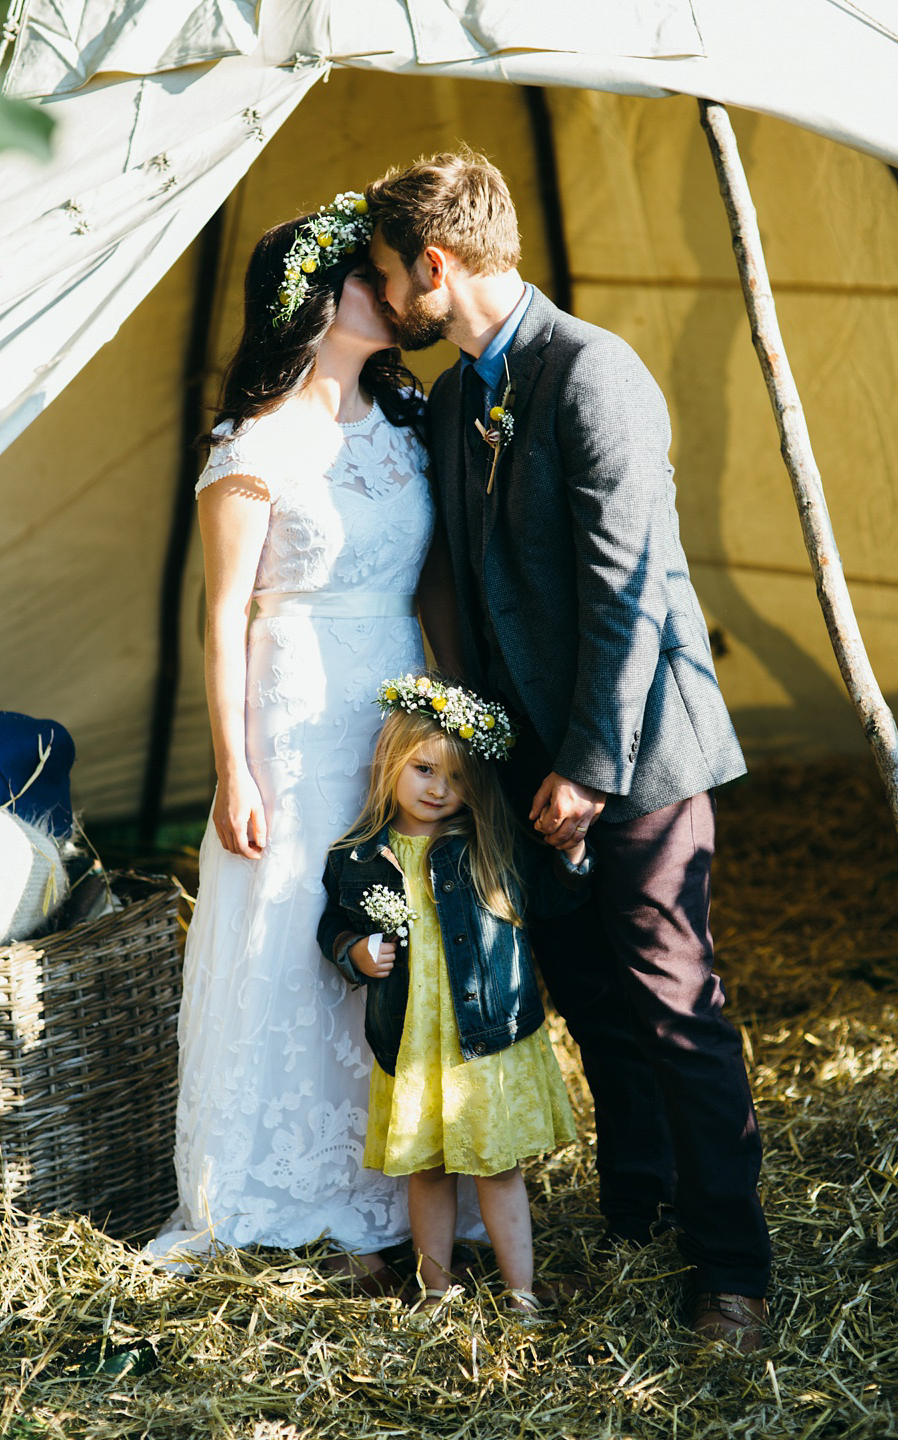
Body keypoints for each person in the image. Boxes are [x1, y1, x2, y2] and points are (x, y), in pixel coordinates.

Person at [363, 152, 772, 1348]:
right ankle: (640, 1199)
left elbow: (628, 596)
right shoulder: (450, 401)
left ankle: (732, 1269)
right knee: (587, 992)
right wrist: (487, 750)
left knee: (673, 999)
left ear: (436, 268)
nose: (388, 303)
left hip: (636, 752)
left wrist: (590, 769)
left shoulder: (597, 375)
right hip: (523, 763)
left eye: (392, 279)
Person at [153, 193, 482, 1282]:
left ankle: (402, 1182)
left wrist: (454, 709)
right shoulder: (253, 443)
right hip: (293, 705)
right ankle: (281, 1188)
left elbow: (433, 582)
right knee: (300, 919)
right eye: (363, 277)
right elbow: (221, 618)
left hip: (395, 698)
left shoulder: (406, 424)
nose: (389, 292)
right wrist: (233, 769)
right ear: (311, 301)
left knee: (401, 919)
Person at [318, 675, 589, 1318]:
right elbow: (332, 922)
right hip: (413, 1041)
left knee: (497, 1169)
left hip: (485, 1041)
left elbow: (548, 904)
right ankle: (434, 1292)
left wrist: (574, 854)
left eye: (459, 778)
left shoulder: (490, 845)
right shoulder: (358, 857)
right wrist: (353, 951)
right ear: (389, 761)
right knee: (428, 1170)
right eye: (424, 768)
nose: (440, 789)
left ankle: (520, 1292)